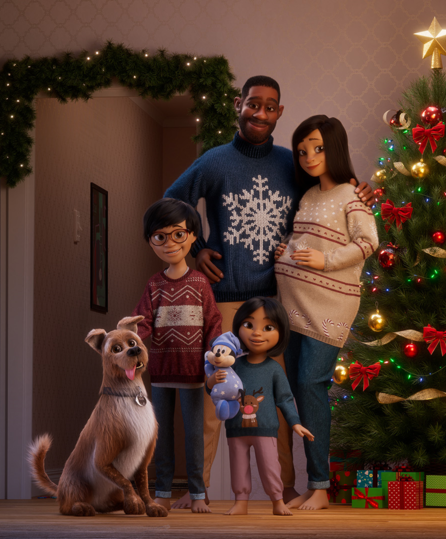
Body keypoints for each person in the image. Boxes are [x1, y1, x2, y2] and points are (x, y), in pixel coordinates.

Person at [164, 75, 375, 503]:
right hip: (224, 299)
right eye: (253, 104)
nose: (260, 113)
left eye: (270, 106)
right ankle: (199, 493)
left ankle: (286, 489)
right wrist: (198, 250)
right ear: (238, 104)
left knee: (274, 401)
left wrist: (359, 190)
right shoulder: (214, 161)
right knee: (213, 396)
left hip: (279, 303)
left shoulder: (289, 164)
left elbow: (327, 194)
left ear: (280, 112)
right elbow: (173, 202)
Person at [274, 115, 379, 510]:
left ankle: (321, 485)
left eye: (317, 148)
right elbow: (302, 240)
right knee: (303, 390)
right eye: (302, 151)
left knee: (311, 385)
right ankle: (313, 482)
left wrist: (326, 260)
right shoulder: (308, 197)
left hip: (328, 305)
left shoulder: (351, 195)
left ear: (333, 147)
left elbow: (368, 242)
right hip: (293, 306)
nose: (308, 157)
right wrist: (283, 252)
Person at [132, 198, 222, 513]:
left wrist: (215, 355)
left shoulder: (200, 283)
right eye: (160, 237)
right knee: (162, 437)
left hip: (195, 374)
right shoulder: (154, 285)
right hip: (160, 373)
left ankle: (198, 494)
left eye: (178, 235)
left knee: (194, 437)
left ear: (193, 236)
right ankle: (163, 492)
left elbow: (213, 324)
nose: (170, 243)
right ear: (150, 241)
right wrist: (128, 342)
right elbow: (141, 323)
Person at [206, 297, 313, 516]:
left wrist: (295, 423)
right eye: (249, 325)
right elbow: (215, 391)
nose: (257, 333)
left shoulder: (274, 369)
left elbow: (284, 399)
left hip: (265, 429)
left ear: (280, 333)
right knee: (238, 467)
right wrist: (211, 381)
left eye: (268, 327)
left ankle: (277, 501)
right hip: (236, 429)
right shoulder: (234, 365)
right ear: (238, 328)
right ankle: (241, 502)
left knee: (270, 468)